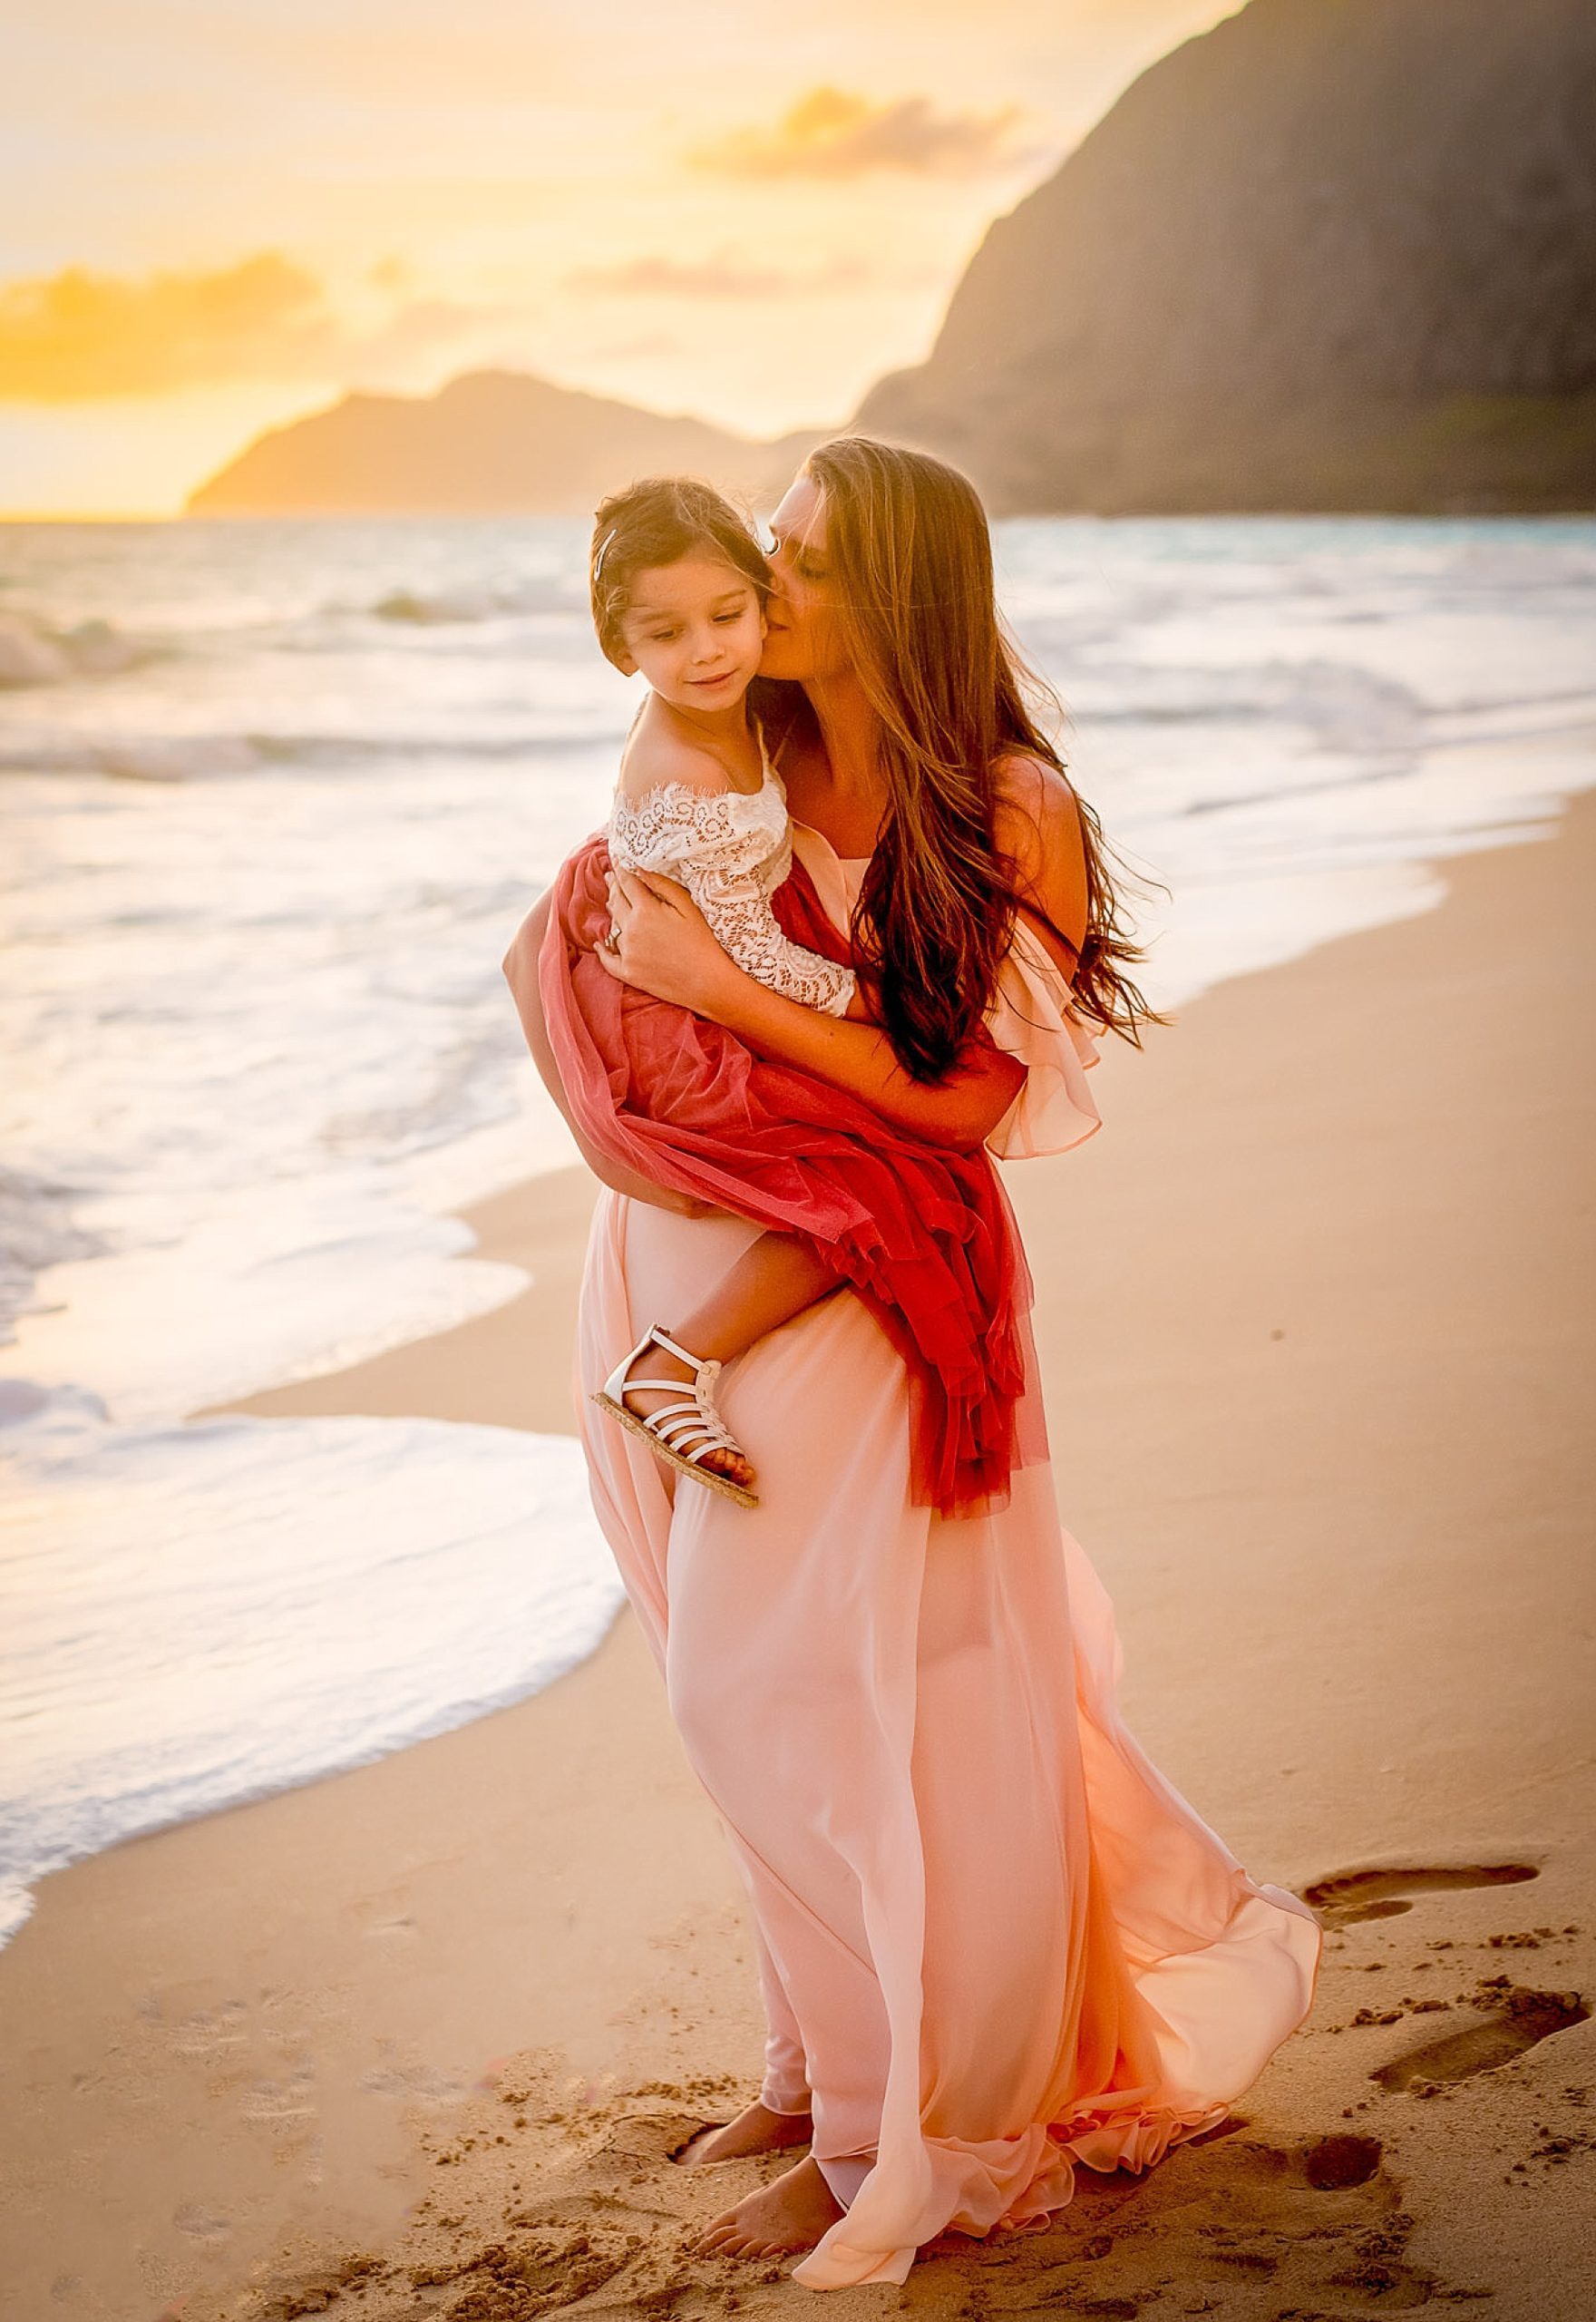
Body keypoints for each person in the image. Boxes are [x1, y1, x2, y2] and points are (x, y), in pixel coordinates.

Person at [502, 436, 1321, 2290]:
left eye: (788, 560)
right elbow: (575, 926)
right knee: (717, 1661)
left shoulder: (1009, 802)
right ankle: (815, 2066)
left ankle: (911, 2124)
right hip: (673, 1234)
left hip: (874, 1281)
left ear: (894, 592)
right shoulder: (742, 742)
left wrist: (712, 1003)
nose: (757, 589)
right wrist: (621, 1082)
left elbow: (963, 1101)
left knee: (800, 1686)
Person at [547, 474, 1030, 1517]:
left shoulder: (754, 719)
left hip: (709, 1007)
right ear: (624, 647)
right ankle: (673, 1361)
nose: (726, 636)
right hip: (686, 1036)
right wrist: (863, 1001)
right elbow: (734, 960)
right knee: (859, 1185)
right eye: (781, 549)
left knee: (891, 1175)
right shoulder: (698, 760)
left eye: (740, 604)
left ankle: (676, 1358)